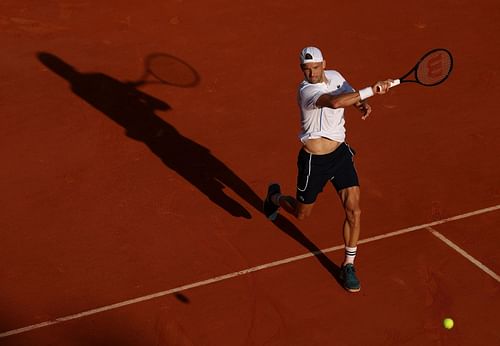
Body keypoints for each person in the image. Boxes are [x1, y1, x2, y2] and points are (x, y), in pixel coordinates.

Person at [263, 46, 392, 292]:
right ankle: (275, 197)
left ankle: (349, 265)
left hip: (340, 154)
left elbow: (348, 94)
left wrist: (361, 103)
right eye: (306, 69)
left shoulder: (336, 76)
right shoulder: (306, 90)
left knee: (354, 210)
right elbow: (334, 102)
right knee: (302, 214)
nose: (310, 73)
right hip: (314, 162)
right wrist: (372, 91)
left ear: (324, 64)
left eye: (315, 68)